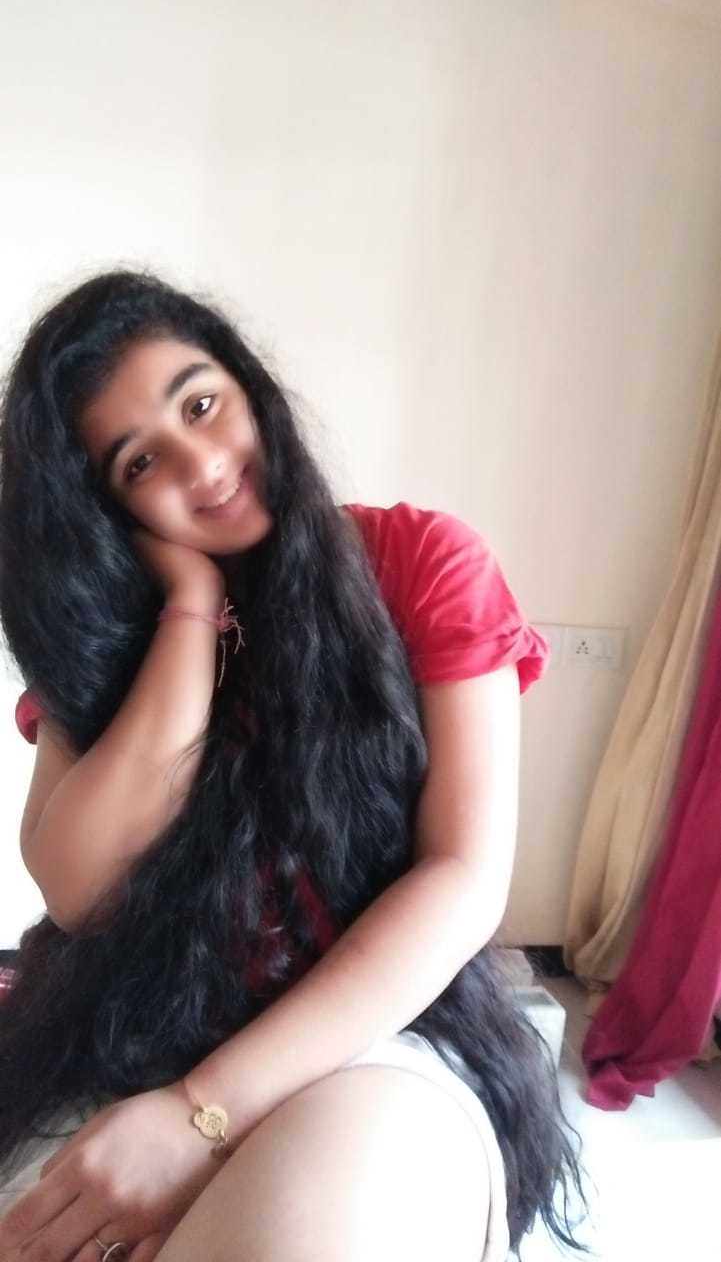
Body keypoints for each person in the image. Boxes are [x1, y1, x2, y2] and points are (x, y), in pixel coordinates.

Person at [0, 270, 591, 1262]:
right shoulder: (111, 640)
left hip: (374, 1036)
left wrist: (200, 1113)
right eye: (140, 461)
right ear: (106, 509)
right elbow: (79, 889)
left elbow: (462, 877)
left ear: (248, 385)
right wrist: (190, 608)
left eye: (201, 404)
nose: (202, 464)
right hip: (134, 1037)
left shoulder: (418, 562)